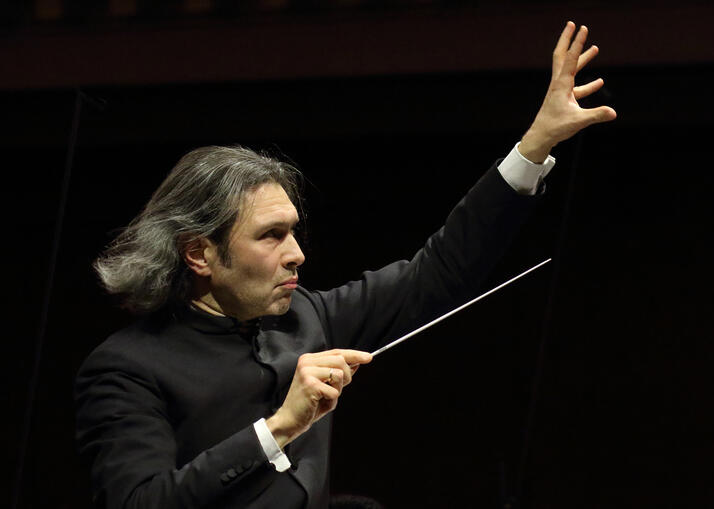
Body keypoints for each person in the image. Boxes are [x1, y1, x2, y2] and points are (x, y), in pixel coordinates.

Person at [75, 22, 616, 509]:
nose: (297, 253)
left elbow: (442, 268)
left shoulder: (307, 317)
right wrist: (281, 426)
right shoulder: (128, 369)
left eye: (294, 231)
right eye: (271, 236)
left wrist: (536, 143)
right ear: (199, 253)